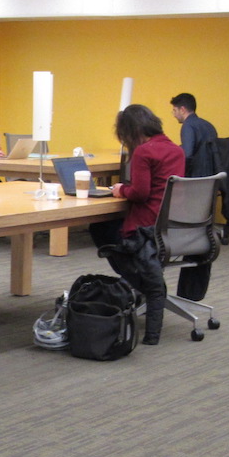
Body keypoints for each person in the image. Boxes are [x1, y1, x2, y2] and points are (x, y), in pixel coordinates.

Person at [91, 104, 186, 345]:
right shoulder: (176, 150)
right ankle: (139, 282)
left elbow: (141, 193)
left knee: (100, 228)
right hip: (168, 226)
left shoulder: (144, 152)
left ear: (129, 132)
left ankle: (136, 281)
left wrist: (120, 189)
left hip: (145, 226)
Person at [169, 93, 218, 177]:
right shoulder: (209, 125)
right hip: (212, 177)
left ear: (182, 110)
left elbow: (187, 155)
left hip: (196, 178)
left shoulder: (188, 125)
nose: (174, 115)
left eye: (175, 110)